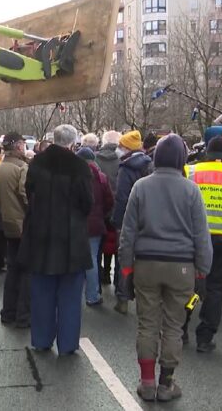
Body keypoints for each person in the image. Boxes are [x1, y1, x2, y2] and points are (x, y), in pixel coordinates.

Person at [118, 134, 212, 402]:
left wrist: (126, 270)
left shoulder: (141, 187)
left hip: (146, 263)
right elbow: (201, 236)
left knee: (147, 324)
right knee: (173, 325)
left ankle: (147, 382)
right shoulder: (191, 190)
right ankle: (167, 383)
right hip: (181, 267)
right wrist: (202, 271)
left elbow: (128, 233)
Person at [19, 125, 93, 354]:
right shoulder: (80, 166)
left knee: (42, 293)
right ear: (73, 143)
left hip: (41, 235)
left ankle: (41, 340)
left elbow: (28, 190)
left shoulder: (37, 163)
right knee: (70, 298)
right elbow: (87, 202)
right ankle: (68, 344)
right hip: (71, 238)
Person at [181, 137, 222, 352]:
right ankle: (205, 337)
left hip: (193, 238)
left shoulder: (190, 171)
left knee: (188, 285)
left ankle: (182, 328)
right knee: (215, 289)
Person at [111, 130, 152, 314]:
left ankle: (123, 298)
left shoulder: (126, 167)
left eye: (120, 146)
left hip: (128, 219)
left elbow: (121, 197)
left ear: (126, 148)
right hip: (148, 219)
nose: (118, 149)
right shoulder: (149, 165)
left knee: (124, 258)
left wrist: (117, 220)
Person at [0, 132, 30, 328]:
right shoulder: (21, 167)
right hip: (23, 224)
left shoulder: (0, 167)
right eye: (23, 144)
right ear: (18, 146)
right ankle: (23, 315)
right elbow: (26, 195)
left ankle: (8, 312)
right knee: (26, 272)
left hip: (8, 222)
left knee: (13, 270)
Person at [77, 147, 113, 306]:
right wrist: (100, 214)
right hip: (95, 224)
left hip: (76, 223)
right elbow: (109, 201)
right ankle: (92, 295)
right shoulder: (101, 177)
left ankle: (73, 295)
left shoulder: (73, 177)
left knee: (75, 260)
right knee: (91, 259)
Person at [95, 130, 121, 285]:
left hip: (99, 209)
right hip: (117, 208)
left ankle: (100, 277)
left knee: (99, 246)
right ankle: (117, 280)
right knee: (116, 245)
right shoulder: (122, 159)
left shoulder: (96, 159)